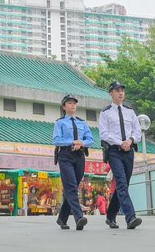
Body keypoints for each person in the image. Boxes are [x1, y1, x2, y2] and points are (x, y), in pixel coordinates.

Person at [99, 81, 143, 230]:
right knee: (122, 183)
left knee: (124, 185)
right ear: (111, 93)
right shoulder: (105, 113)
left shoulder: (130, 112)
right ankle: (131, 217)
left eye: (122, 90)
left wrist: (130, 141)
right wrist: (120, 142)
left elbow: (137, 131)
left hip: (128, 151)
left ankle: (111, 216)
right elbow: (104, 133)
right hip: (114, 152)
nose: (121, 92)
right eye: (117, 90)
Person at [52, 93, 94, 231]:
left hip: (79, 155)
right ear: (64, 106)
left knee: (73, 187)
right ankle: (79, 217)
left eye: (74, 103)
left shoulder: (82, 122)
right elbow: (56, 140)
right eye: (69, 103)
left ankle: (62, 219)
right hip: (65, 155)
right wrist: (72, 142)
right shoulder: (60, 123)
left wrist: (81, 143)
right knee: (70, 186)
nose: (73, 105)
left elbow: (90, 139)